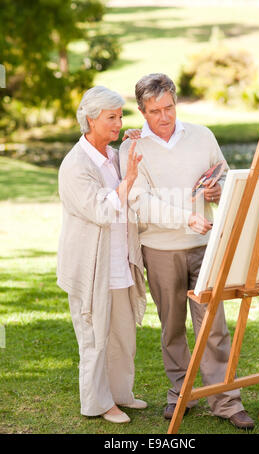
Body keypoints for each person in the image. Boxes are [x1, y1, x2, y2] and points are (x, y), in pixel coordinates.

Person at [119, 73, 255, 430]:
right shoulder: (131, 149)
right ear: (141, 111)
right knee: (173, 326)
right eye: (155, 111)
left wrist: (218, 190)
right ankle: (180, 391)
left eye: (169, 108)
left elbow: (226, 176)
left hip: (204, 245)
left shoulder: (202, 135)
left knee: (213, 325)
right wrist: (187, 218)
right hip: (160, 249)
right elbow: (140, 203)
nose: (165, 117)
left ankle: (226, 400)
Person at [56, 86, 147, 424]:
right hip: (91, 266)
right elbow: (101, 209)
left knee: (123, 334)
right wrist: (129, 181)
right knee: (95, 337)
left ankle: (121, 394)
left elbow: (130, 191)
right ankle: (98, 403)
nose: (119, 122)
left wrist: (132, 148)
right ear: (90, 120)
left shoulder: (111, 155)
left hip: (118, 261)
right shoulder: (75, 164)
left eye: (120, 115)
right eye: (112, 117)